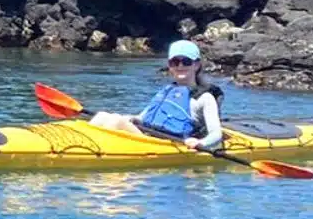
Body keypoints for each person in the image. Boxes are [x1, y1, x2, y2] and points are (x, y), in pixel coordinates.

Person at [90, 40, 225, 150]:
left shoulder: (205, 98)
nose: (180, 66)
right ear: (169, 66)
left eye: (186, 61)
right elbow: (142, 117)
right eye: (175, 62)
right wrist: (133, 118)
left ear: (196, 65)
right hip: (149, 136)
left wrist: (200, 143)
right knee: (103, 115)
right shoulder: (168, 91)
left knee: (116, 121)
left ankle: (94, 151)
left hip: (168, 144)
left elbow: (216, 134)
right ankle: (86, 145)